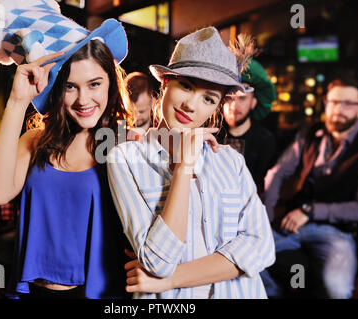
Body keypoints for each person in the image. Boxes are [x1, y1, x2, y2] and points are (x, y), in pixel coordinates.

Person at [107, 27, 275, 299]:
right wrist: (183, 168)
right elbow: (157, 261)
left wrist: (169, 281)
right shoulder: (126, 159)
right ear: (165, 83)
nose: (191, 106)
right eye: (186, 86)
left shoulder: (230, 162)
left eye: (208, 98)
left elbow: (261, 246)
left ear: (216, 108)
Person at [0, 1, 131, 299]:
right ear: (54, 88)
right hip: (31, 291)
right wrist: (16, 102)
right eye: (70, 86)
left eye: (94, 84)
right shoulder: (35, 141)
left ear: (110, 84)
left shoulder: (121, 143)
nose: (83, 99)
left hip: (96, 293)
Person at [262, 77, 358, 298]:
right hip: (290, 224)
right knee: (249, 260)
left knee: (338, 290)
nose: (337, 109)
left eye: (347, 103)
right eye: (332, 102)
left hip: (336, 233)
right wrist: (264, 217)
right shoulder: (309, 134)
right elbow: (278, 173)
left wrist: (309, 211)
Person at [217, 60, 277, 194]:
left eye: (242, 99)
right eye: (229, 99)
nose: (234, 107)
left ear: (253, 102)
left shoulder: (265, 140)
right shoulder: (212, 136)